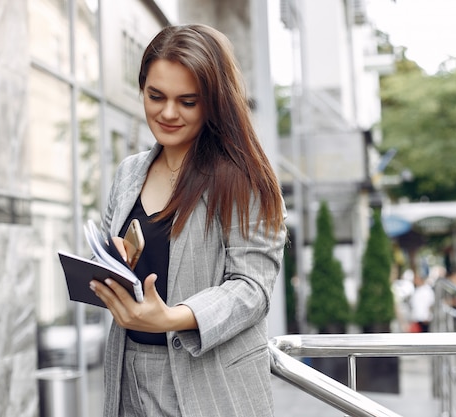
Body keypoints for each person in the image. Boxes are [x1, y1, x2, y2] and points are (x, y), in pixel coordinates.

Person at [89, 24, 287, 417]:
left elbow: (252, 287)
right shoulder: (130, 172)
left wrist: (173, 318)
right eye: (155, 96)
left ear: (214, 102)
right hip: (128, 375)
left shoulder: (241, 178)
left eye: (188, 101)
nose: (167, 113)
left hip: (210, 385)